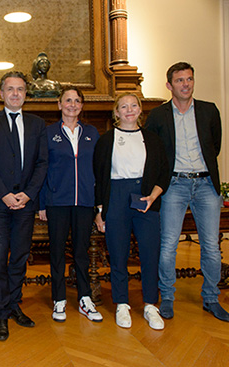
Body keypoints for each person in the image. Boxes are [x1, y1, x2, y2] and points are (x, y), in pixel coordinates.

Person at [146, 62, 229, 322]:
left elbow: (213, 146)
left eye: (189, 79)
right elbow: (153, 151)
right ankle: (168, 297)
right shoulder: (158, 115)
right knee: (168, 245)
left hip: (206, 185)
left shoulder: (209, 110)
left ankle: (210, 298)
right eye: (180, 80)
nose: (186, 84)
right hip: (174, 185)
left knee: (211, 247)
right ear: (169, 85)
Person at [0, 71, 48, 341]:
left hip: (26, 203)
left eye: (20, 89)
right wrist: (5, 194)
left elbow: (42, 163)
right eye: (10, 89)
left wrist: (28, 195)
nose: (15, 94)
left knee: (19, 257)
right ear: (1, 94)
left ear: (26, 94)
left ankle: (14, 304)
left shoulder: (37, 123)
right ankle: (1, 313)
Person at [94, 92, 170, 330]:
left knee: (150, 253)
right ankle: (122, 304)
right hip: (116, 198)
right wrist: (99, 211)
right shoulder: (106, 140)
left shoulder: (153, 139)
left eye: (133, 105)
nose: (129, 110)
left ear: (140, 110)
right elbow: (98, 177)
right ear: (116, 112)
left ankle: (150, 304)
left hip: (145, 199)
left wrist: (153, 197)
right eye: (123, 106)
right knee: (118, 253)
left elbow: (163, 173)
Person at [38, 86, 102, 323]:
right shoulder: (48, 133)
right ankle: (59, 298)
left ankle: (85, 297)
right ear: (59, 104)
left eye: (77, 100)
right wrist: (42, 204)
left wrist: (98, 206)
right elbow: (42, 169)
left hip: (85, 202)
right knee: (56, 252)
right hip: (57, 203)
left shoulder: (92, 133)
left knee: (81, 252)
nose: (72, 104)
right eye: (68, 100)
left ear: (82, 106)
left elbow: (99, 169)